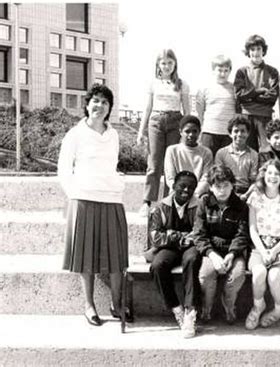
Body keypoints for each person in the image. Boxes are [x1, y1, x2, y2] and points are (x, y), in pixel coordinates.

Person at [58, 84, 129, 326]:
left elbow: (112, 165)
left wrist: (117, 184)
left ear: (110, 109)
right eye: (95, 101)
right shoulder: (74, 135)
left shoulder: (114, 135)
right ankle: (89, 305)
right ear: (87, 105)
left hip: (111, 199)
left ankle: (117, 304)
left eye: (105, 102)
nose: (99, 106)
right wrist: (75, 195)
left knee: (117, 258)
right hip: (83, 200)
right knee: (85, 256)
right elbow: (63, 171)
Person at [144, 171, 202, 338]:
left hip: (190, 247)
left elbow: (198, 233)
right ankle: (177, 309)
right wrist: (178, 237)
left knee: (192, 260)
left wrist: (172, 234)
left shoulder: (198, 206)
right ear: (173, 186)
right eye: (182, 186)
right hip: (169, 248)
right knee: (157, 265)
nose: (186, 190)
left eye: (191, 187)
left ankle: (190, 312)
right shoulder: (161, 207)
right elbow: (155, 236)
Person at [137, 49, 191, 216]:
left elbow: (187, 110)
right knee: (154, 163)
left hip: (175, 122)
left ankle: (169, 202)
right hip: (156, 121)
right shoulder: (153, 83)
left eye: (170, 63)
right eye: (163, 63)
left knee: (171, 164)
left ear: (175, 64)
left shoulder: (181, 84)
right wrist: (141, 131)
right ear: (158, 65)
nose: (166, 66)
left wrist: (188, 132)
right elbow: (147, 108)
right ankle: (147, 201)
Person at [194, 165, 250, 324]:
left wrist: (232, 254)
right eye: (217, 186)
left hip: (233, 251)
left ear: (233, 185)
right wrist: (212, 254)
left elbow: (242, 234)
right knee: (206, 275)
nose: (222, 190)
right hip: (211, 251)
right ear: (211, 187)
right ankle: (206, 308)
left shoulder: (240, 206)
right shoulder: (204, 203)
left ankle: (229, 306)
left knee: (237, 276)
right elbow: (199, 234)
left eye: (226, 185)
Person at [245, 159, 280, 330]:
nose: (273, 177)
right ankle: (258, 306)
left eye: (277, 174)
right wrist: (263, 250)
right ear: (263, 175)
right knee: (259, 273)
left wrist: (274, 251)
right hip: (259, 245)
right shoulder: (255, 197)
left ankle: (279, 308)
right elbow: (252, 229)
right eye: (269, 173)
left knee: (274, 277)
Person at [234, 34, 279, 152]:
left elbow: (272, 96)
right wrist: (258, 91)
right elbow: (239, 95)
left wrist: (249, 97)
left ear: (263, 50)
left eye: (259, 49)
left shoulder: (272, 71)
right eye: (252, 49)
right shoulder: (242, 72)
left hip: (265, 116)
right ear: (248, 52)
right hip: (246, 117)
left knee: (267, 149)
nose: (256, 52)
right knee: (248, 150)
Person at [195, 55, 236, 157]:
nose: (223, 74)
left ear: (230, 71)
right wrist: (200, 130)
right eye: (220, 70)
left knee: (226, 166)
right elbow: (200, 111)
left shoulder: (234, 88)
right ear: (213, 70)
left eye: (226, 70)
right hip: (209, 132)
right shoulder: (205, 88)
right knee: (207, 163)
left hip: (228, 134)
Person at [164, 115, 213, 197]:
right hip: (177, 193)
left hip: (198, 195)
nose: (191, 135)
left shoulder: (206, 152)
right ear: (180, 132)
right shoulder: (172, 150)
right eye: (187, 131)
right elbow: (170, 178)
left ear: (199, 132)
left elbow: (206, 179)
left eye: (195, 131)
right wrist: (181, 192)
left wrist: (194, 194)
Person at [215, 115, 258, 201]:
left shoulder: (254, 155)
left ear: (248, 133)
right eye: (236, 131)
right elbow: (219, 178)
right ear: (230, 134)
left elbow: (254, 181)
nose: (239, 134)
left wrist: (245, 196)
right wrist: (231, 195)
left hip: (247, 192)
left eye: (243, 131)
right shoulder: (221, 153)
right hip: (226, 190)